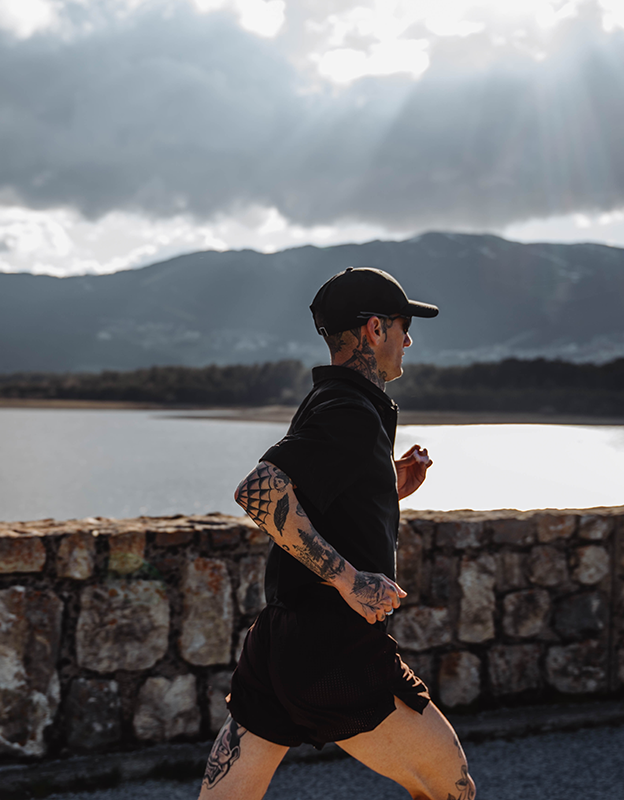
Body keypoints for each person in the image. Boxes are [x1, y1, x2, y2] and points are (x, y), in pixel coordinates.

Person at [199, 267, 475, 800]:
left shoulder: (334, 403)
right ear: (375, 329)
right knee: (450, 785)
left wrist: (386, 486)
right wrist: (350, 580)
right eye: (402, 326)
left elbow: (317, 502)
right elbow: (260, 490)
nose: (408, 340)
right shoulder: (349, 409)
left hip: (281, 637)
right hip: (333, 643)